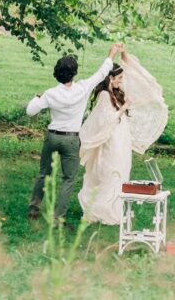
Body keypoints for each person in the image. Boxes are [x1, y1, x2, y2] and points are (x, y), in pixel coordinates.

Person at [26, 42, 124, 223]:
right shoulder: (83, 88)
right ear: (74, 73)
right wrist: (111, 54)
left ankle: (34, 208)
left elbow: (30, 111)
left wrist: (37, 97)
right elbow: (102, 72)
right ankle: (58, 217)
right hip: (71, 139)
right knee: (68, 179)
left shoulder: (50, 93)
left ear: (57, 73)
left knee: (43, 173)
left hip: (52, 136)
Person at [78, 48, 167, 225]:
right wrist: (124, 106)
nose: (121, 82)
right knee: (111, 169)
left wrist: (124, 54)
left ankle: (116, 207)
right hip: (111, 140)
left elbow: (137, 77)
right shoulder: (104, 94)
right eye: (118, 79)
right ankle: (103, 208)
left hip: (121, 137)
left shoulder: (117, 91)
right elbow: (107, 119)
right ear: (110, 78)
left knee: (122, 168)